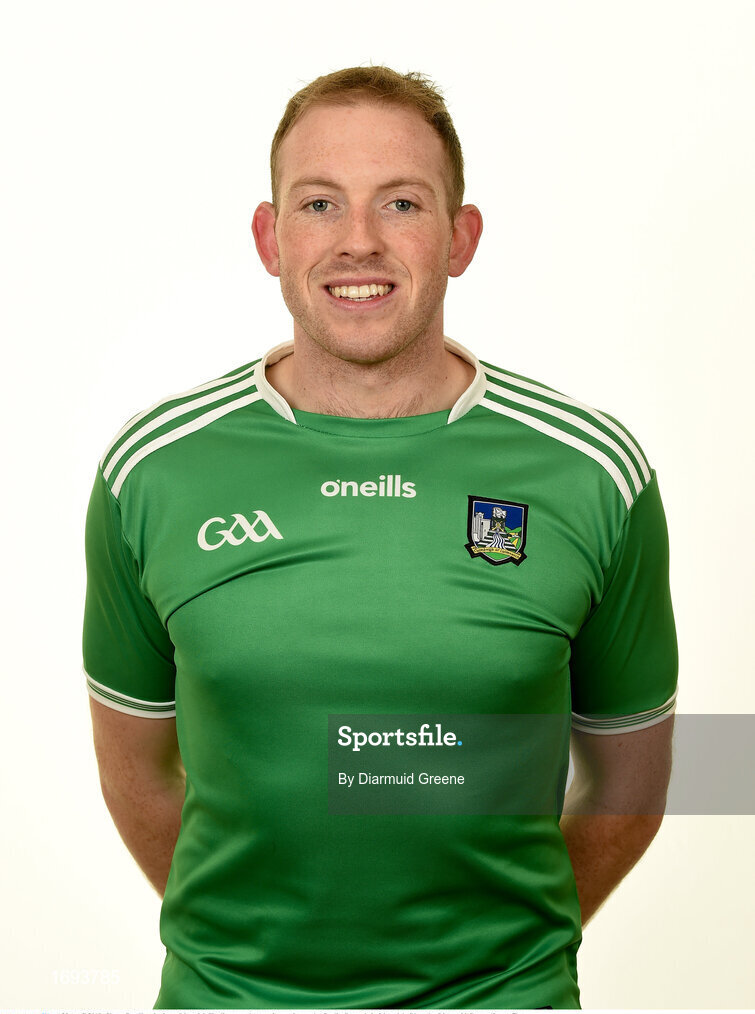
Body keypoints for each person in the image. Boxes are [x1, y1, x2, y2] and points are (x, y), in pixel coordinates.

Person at [83, 65, 678, 1010]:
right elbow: (138, 778)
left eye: (401, 201)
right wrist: (255, 967)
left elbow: (632, 779)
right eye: (319, 203)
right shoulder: (153, 471)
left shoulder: (591, 471)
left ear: (459, 238)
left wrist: (498, 964)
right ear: (270, 239)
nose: (357, 240)